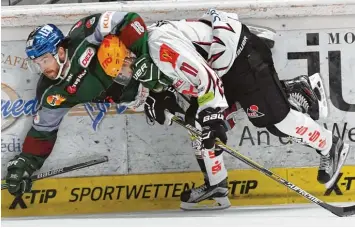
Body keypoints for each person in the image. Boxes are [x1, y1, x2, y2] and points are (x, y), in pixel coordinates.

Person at [135, 9, 350, 210]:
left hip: (241, 57)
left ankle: (330, 144)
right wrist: (160, 97)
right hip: (223, 66)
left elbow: (206, 79)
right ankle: (216, 183)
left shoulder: (160, 47)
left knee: (276, 121)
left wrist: (215, 119)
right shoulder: (140, 55)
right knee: (197, 121)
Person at [4, 11, 152, 196]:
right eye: (37, 63)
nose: (43, 68)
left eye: (44, 60)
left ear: (59, 51)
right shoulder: (51, 92)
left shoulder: (83, 34)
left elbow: (128, 19)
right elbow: (43, 132)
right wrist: (26, 162)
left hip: (154, 69)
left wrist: (145, 58)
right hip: (143, 100)